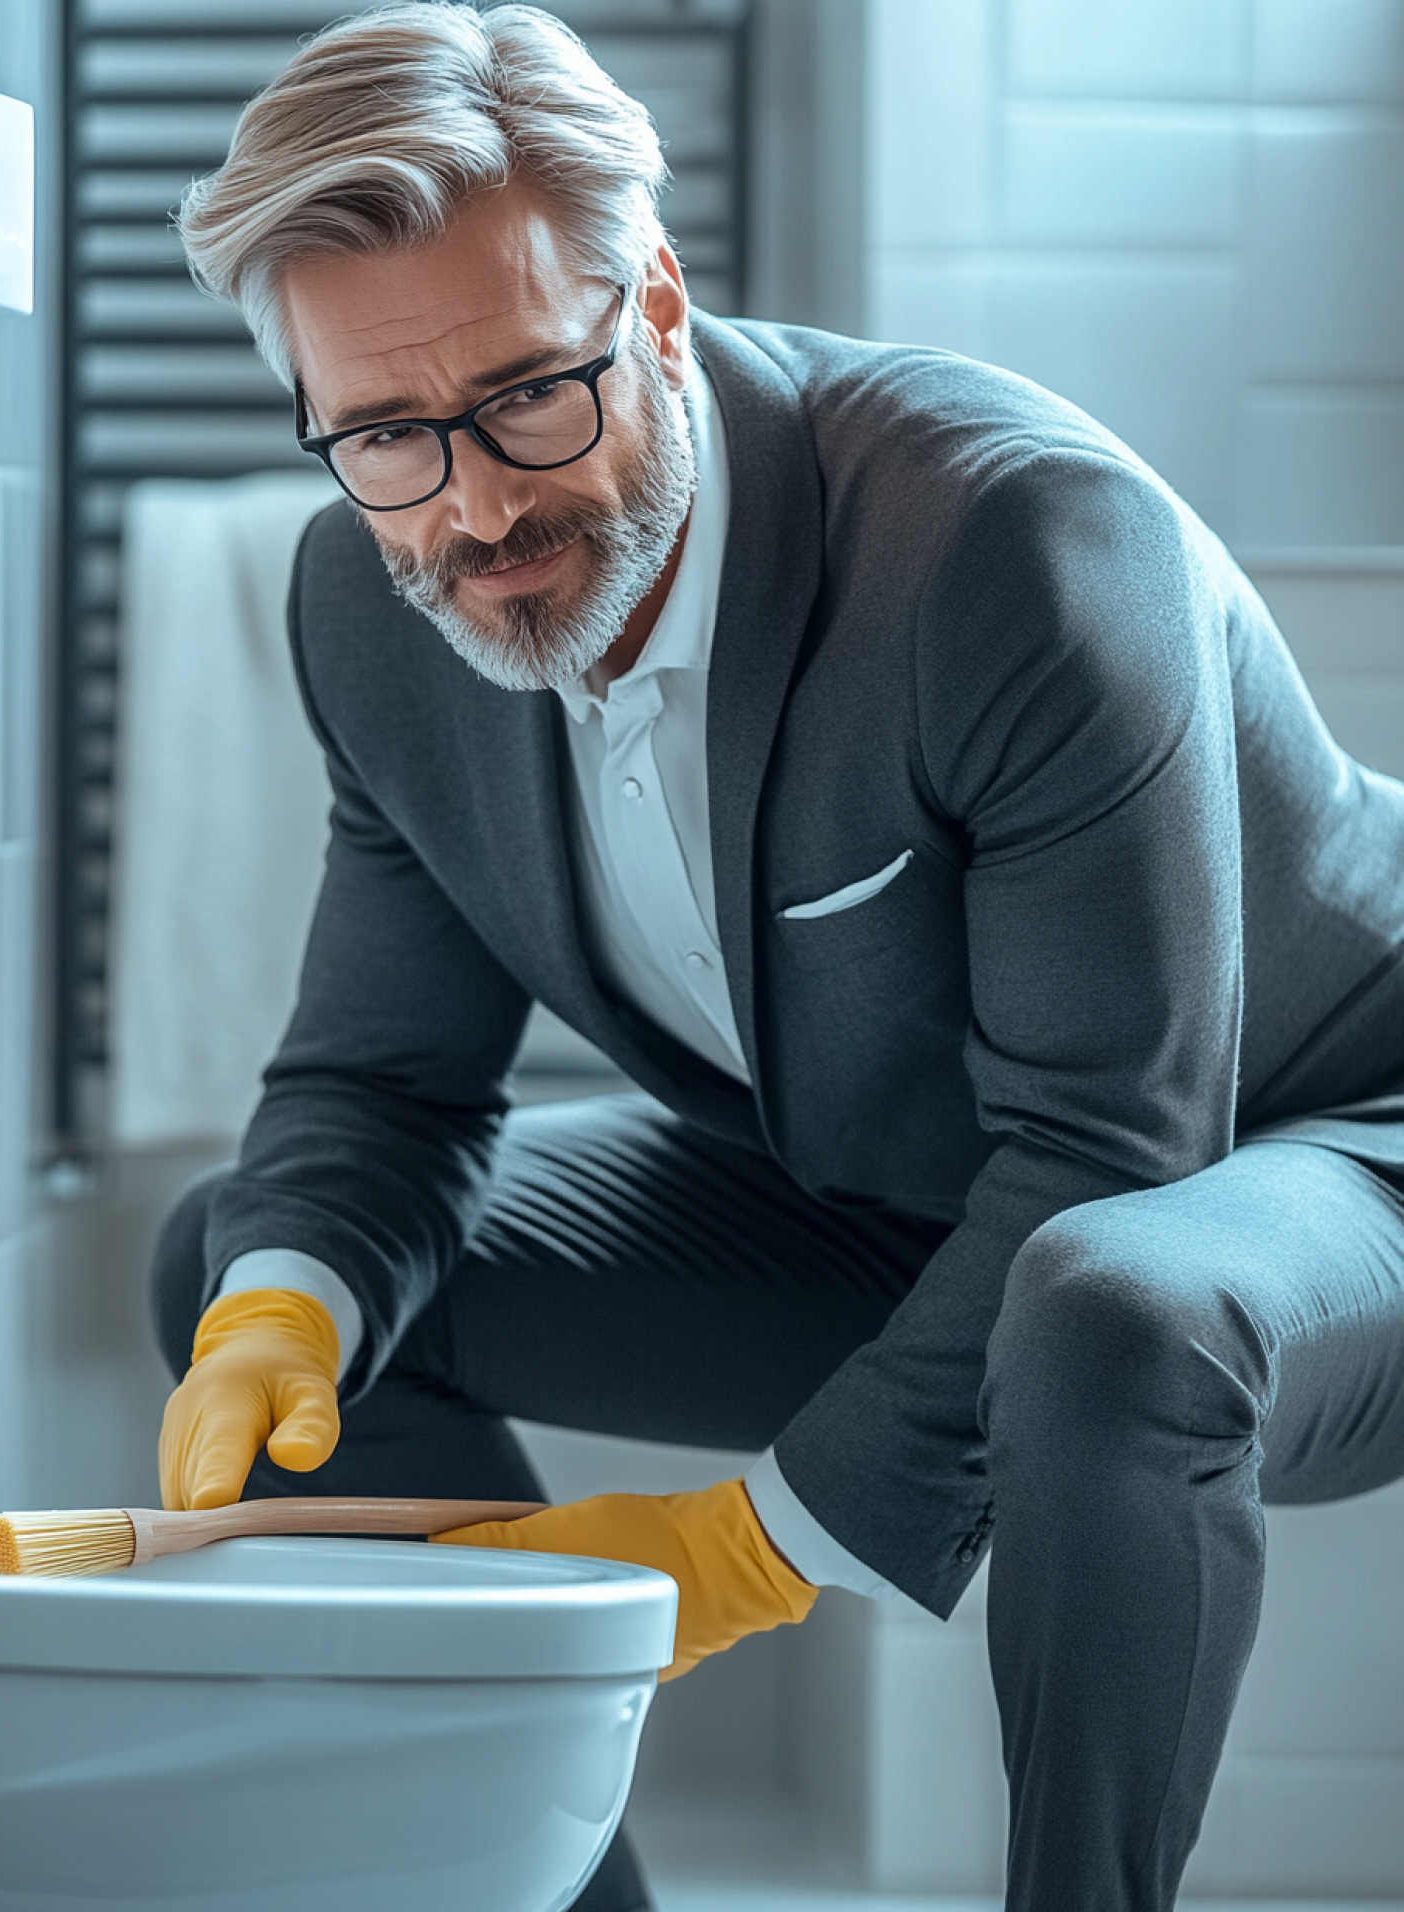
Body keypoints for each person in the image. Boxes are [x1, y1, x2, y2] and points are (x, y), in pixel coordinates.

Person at [149, 6, 1404, 1909]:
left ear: (653, 297)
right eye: (387, 436)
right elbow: (386, 1083)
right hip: (901, 1185)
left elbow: (1109, 1151)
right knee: (251, 1247)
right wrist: (277, 1313)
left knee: (1107, 1303)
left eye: (526, 399)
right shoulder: (368, 595)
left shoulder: (1017, 543)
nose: (477, 507)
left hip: (1305, 1157)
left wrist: (754, 1542)